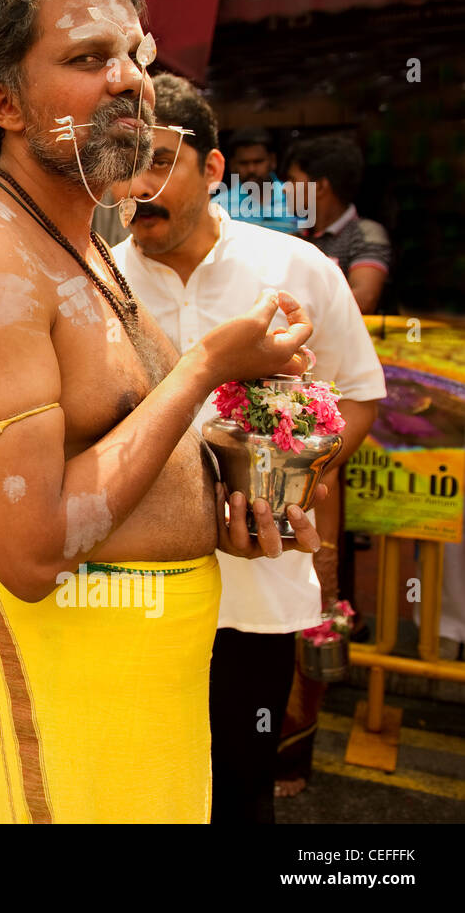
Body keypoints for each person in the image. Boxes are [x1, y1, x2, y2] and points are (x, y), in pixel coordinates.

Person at [0, 0, 327, 823]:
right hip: (66, 704)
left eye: (136, 55)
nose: (130, 80)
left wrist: (235, 508)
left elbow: (117, 455)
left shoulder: (91, 245)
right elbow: (31, 549)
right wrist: (210, 362)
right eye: (89, 58)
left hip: (150, 698)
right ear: (5, 104)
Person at [110, 74, 384, 822]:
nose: (139, 185)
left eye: (160, 160)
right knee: (142, 794)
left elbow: (358, 391)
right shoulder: (98, 283)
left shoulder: (296, 270)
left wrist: (310, 471)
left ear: (215, 170)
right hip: (132, 584)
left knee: (239, 788)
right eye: (125, 162)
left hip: (255, 584)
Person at [290, 134, 391, 314]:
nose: (285, 188)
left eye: (293, 180)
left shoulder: (366, 234)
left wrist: (294, 309)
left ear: (320, 187)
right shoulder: (296, 238)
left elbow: (364, 300)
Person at [223, 128, 298, 234]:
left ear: (273, 161)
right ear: (232, 165)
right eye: (243, 163)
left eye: (258, 162)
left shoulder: (297, 198)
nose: (251, 169)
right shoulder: (220, 206)